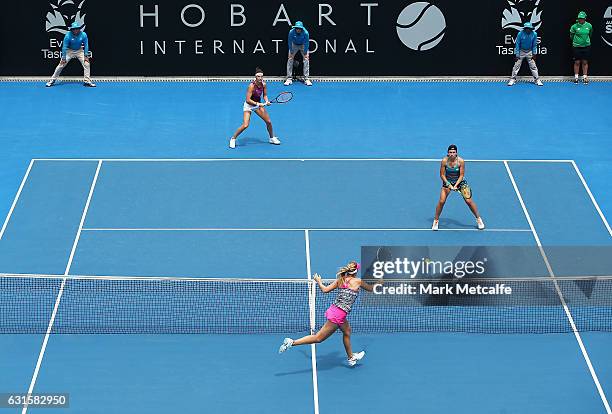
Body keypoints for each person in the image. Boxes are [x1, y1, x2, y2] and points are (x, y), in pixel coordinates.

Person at [278, 261, 379, 367]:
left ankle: (351, 357)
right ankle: (292, 342)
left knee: (347, 332)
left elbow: (325, 290)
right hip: (338, 315)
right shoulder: (358, 281)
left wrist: (319, 281)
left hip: (335, 310)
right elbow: (371, 289)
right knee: (318, 338)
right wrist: (379, 282)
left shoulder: (340, 280)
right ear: (355, 272)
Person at [432, 145, 485, 231]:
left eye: (453, 152)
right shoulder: (444, 161)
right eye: (450, 152)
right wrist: (449, 184)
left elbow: (461, 175)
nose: (452, 154)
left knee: (469, 201)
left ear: (456, 153)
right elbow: (442, 175)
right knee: (441, 201)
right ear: (448, 153)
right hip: (448, 181)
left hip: (459, 182)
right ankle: (436, 221)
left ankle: (478, 219)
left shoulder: (461, 161)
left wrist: (456, 185)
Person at [229, 68, 281, 149]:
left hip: (257, 105)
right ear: (255, 77)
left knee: (268, 121)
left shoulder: (264, 84)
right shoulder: (251, 86)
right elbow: (248, 100)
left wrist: (266, 101)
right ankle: (233, 139)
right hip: (249, 105)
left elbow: (265, 95)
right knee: (245, 125)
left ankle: (272, 138)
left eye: (261, 76)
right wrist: (258, 104)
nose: (260, 78)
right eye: (258, 76)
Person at [46, 22, 95, 87]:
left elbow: (86, 45)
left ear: (79, 29)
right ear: (71, 30)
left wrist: (86, 56)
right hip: (69, 51)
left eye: (77, 28)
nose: (75, 30)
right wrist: (63, 58)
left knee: (87, 63)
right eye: (74, 29)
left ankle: (87, 81)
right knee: (61, 65)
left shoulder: (84, 34)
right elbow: (64, 47)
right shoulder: (68, 36)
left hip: (79, 51)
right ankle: (52, 80)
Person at [507, 22, 543, 87]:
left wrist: (534, 54)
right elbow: (517, 44)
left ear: (531, 29)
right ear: (525, 28)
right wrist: (517, 54)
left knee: (533, 66)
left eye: (529, 28)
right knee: (516, 66)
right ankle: (512, 79)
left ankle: (537, 80)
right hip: (521, 51)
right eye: (526, 28)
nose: (528, 30)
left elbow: (534, 44)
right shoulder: (520, 34)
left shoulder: (534, 34)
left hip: (530, 51)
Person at [284, 21, 312, 86]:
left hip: (303, 45)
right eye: (297, 28)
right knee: (290, 59)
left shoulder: (306, 33)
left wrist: (305, 52)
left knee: (306, 59)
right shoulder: (291, 32)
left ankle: (306, 79)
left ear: (302, 28)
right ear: (295, 28)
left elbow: (307, 43)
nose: (298, 30)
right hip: (294, 45)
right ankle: (289, 78)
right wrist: (291, 50)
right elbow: (289, 41)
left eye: (299, 28)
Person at [570, 11, 593, 84]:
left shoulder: (589, 25)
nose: (580, 19)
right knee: (577, 62)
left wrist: (585, 41)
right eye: (579, 18)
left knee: (585, 62)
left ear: (585, 18)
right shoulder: (574, 26)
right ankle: (576, 77)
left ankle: (585, 77)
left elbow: (590, 34)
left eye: (582, 18)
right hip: (576, 46)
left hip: (586, 46)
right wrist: (577, 42)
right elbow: (572, 36)